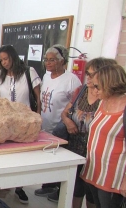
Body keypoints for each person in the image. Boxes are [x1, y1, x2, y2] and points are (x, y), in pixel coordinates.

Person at [58, 58, 117, 208]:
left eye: (92, 75)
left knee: (91, 185)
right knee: (76, 181)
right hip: (75, 144)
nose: (88, 79)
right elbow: (65, 112)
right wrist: (68, 122)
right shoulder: (80, 90)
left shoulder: (107, 97)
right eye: (88, 74)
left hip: (95, 148)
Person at [81, 64, 126, 208]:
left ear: (110, 85)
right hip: (96, 170)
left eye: (97, 86)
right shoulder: (103, 102)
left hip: (114, 175)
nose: (94, 90)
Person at [0, 45, 41, 204]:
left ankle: (19, 187)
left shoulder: (29, 72)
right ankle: (2, 185)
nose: (4, 62)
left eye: (6, 59)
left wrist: (38, 118)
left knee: (23, 158)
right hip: (5, 123)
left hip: (25, 124)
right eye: (1, 60)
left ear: (13, 57)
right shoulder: (0, 75)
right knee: (5, 156)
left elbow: (38, 97)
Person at [34, 44, 81, 198]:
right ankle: (48, 185)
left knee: (59, 159)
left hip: (61, 128)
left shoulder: (71, 80)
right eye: (46, 60)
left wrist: (66, 120)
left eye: (52, 60)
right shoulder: (46, 76)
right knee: (47, 157)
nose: (48, 63)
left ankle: (60, 190)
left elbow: (78, 104)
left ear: (62, 61)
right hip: (46, 124)